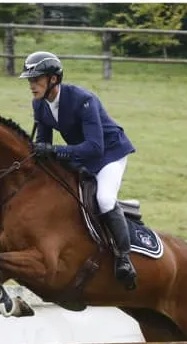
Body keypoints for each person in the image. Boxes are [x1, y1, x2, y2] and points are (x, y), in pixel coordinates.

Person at [19, 51, 138, 290]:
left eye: (37, 79)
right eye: (30, 80)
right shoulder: (39, 104)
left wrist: (55, 151)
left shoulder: (83, 100)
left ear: (54, 79)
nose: (32, 85)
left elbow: (95, 147)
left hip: (109, 154)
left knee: (104, 199)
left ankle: (124, 257)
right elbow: (44, 144)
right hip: (80, 153)